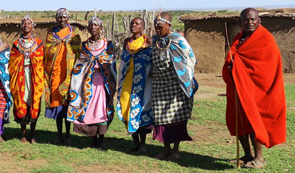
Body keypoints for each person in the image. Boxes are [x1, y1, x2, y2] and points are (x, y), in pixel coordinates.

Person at [223, 8, 286, 168]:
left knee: (253, 121)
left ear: (259, 21)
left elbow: (266, 67)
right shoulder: (239, 38)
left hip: (257, 90)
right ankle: (247, 154)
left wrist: (238, 67)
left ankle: (259, 158)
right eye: (246, 20)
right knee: (239, 120)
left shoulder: (264, 39)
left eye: (253, 19)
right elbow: (234, 57)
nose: (249, 22)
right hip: (239, 88)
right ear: (240, 22)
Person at [151, 12, 198, 161]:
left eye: (161, 27)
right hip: (159, 86)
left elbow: (190, 58)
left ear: (169, 25)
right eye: (156, 27)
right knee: (161, 119)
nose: (158, 30)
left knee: (176, 118)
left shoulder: (178, 40)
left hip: (176, 86)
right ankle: (165, 150)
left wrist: (184, 76)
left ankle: (176, 151)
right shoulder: (156, 41)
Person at [67, 17, 117, 149]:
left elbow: (110, 60)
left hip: (102, 82)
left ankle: (102, 140)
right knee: (88, 109)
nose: (93, 27)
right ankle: (92, 140)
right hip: (87, 82)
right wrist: (90, 63)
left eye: (96, 25)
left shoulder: (108, 44)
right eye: (91, 25)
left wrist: (97, 61)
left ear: (101, 27)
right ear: (88, 28)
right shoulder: (84, 45)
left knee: (101, 110)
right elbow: (81, 62)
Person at [43, 8, 81, 145]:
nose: (62, 19)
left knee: (68, 103)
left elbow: (78, 51)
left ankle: (68, 134)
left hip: (69, 74)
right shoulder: (51, 33)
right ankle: (59, 135)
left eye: (64, 17)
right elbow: (48, 51)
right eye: (59, 17)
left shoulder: (74, 33)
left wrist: (68, 45)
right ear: (56, 18)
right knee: (57, 104)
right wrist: (59, 45)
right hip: (55, 74)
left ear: (68, 18)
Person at [116, 17, 153, 154]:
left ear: (142, 27)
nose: (133, 25)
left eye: (137, 23)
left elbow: (151, 58)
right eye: (132, 23)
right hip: (127, 80)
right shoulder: (127, 41)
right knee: (126, 107)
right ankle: (135, 142)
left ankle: (143, 144)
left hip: (142, 82)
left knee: (139, 110)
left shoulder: (147, 41)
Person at [9, 16, 45, 143]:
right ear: (21, 27)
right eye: (24, 23)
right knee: (21, 102)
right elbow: (12, 63)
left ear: (33, 27)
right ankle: (23, 134)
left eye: (29, 23)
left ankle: (33, 134)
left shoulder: (39, 43)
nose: (26, 25)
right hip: (20, 76)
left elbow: (41, 61)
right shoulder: (16, 44)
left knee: (34, 103)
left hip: (35, 77)